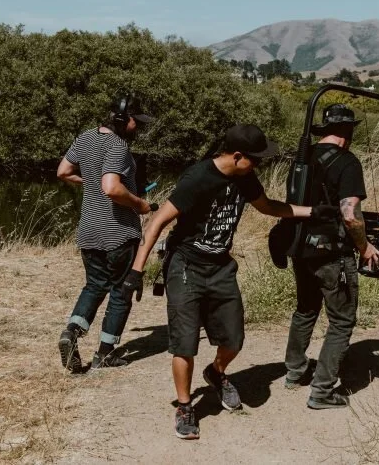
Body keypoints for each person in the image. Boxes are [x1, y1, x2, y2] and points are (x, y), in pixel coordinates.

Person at [124, 123, 337, 440]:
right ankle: (185, 406)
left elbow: (267, 207)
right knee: (185, 344)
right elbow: (158, 221)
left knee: (234, 339)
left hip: (221, 266)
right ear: (238, 156)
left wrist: (312, 212)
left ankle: (216, 372)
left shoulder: (245, 177)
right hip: (186, 266)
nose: (260, 165)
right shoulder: (198, 177)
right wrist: (136, 272)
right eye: (256, 158)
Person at [283, 103, 379, 410]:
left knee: (305, 310)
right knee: (341, 320)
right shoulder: (347, 161)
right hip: (332, 253)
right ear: (346, 131)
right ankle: (322, 391)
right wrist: (365, 246)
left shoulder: (303, 159)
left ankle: (294, 372)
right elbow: (350, 215)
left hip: (301, 248)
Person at [55, 95, 156, 373]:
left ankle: (72, 332)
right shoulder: (118, 146)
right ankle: (105, 354)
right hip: (118, 233)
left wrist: (89, 181)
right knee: (121, 292)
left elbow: (63, 171)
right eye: (138, 122)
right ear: (126, 119)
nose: (139, 128)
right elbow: (111, 188)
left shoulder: (85, 138)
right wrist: (141, 204)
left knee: (94, 285)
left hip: (88, 230)